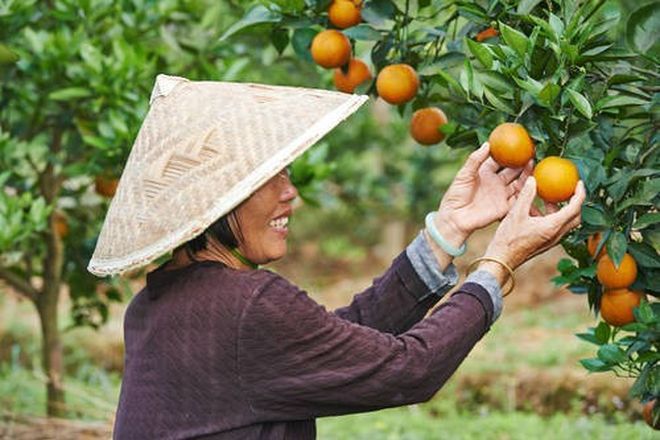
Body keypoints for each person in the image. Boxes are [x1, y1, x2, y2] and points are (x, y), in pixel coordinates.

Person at [89, 75, 585, 439]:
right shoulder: (245, 306)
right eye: (275, 179)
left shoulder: (159, 304)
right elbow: (409, 369)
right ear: (220, 198)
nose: (292, 196)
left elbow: (333, 342)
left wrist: (449, 229)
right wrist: (497, 263)